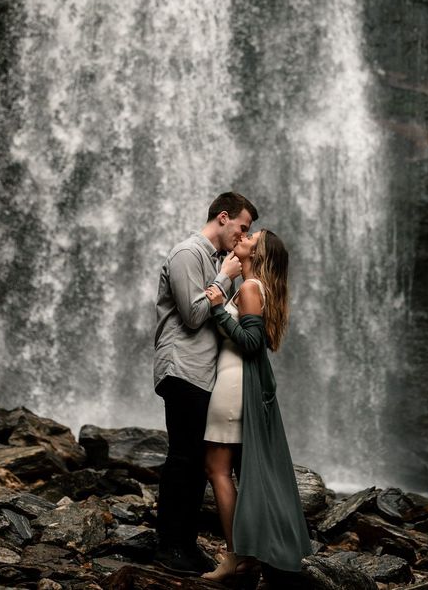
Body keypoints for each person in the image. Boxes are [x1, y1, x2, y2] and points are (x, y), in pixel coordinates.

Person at [153, 192, 259, 575]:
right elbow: (195, 315)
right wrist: (224, 278)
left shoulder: (215, 260)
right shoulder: (187, 253)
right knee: (183, 458)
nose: (244, 235)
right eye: (243, 227)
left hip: (202, 375)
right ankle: (169, 546)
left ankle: (186, 544)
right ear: (224, 218)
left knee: (196, 460)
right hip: (182, 369)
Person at [202, 229, 312, 584]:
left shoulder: (250, 289)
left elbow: (251, 343)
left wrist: (218, 308)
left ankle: (237, 556)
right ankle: (246, 555)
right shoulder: (251, 285)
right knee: (232, 469)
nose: (243, 235)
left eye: (252, 236)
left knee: (217, 468)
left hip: (235, 386)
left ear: (259, 252)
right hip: (235, 383)